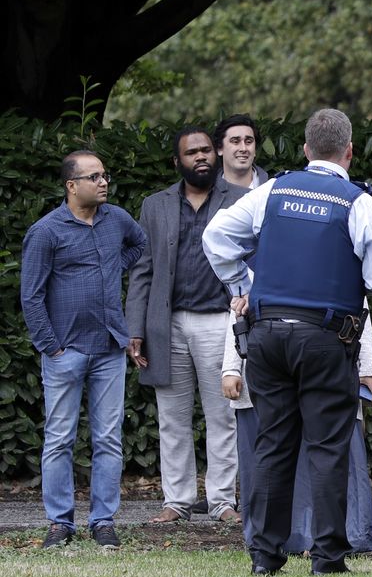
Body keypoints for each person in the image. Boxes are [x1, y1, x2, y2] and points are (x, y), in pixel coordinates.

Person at [203, 107, 372, 576]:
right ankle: (327, 557)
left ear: (305, 150)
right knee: (328, 444)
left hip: (268, 335)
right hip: (326, 336)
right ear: (350, 152)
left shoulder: (272, 190)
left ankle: (265, 556)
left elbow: (216, 237)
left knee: (272, 443)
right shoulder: (356, 202)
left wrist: (242, 287)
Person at [22, 150, 147, 548]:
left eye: (105, 175)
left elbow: (139, 245)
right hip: (66, 352)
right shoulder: (46, 231)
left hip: (110, 347)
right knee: (59, 439)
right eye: (94, 177)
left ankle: (103, 521)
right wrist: (51, 347)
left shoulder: (116, 220)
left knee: (108, 438)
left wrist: (112, 266)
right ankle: (60, 523)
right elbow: (31, 297)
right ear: (71, 186)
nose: (103, 182)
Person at [126, 126, 245, 525]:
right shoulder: (155, 205)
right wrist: (135, 329)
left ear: (217, 154)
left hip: (220, 321)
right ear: (177, 161)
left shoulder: (242, 200)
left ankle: (221, 501)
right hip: (168, 324)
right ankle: (176, 501)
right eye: (192, 152)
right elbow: (142, 271)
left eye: (207, 150)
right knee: (172, 417)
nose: (202, 158)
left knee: (223, 416)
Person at [222, 286, 372, 554]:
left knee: (325, 453)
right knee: (277, 453)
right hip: (273, 365)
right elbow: (238, 312)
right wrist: (230, 367)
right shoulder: (256, 256)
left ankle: (327, 538)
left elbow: (358, 306)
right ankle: (278, 541)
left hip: (324, 360)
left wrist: (368, 367)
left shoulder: (336, 251)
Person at [213, 114, 269, 189]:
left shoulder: (274, 190)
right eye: (235, 141)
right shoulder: (206, 194)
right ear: (219, 149)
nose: (243, 148)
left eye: (248, 142)